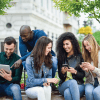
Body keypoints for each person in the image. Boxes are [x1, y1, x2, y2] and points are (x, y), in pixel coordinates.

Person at [56, 32, 85, 100]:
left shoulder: (80, 57)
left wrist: (75, 72)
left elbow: (83, 74)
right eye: (63, 44)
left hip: (79, 85)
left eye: (67, 44)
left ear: (73, 44)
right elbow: (60, 76)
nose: (65, 47)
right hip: (64, 84)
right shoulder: (61, 57)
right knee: (72, 82)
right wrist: (63, 73)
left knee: (67, 93)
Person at [80, 34, 100, 100]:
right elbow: (86, 76)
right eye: (85, 46)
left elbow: (95, 70)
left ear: (93, 43)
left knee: (96, 92)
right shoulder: (86, 56)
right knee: (88, 92)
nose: (86, 48)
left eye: (88, 45)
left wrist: (93, 68)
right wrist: (86, 70)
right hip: (90, 82)